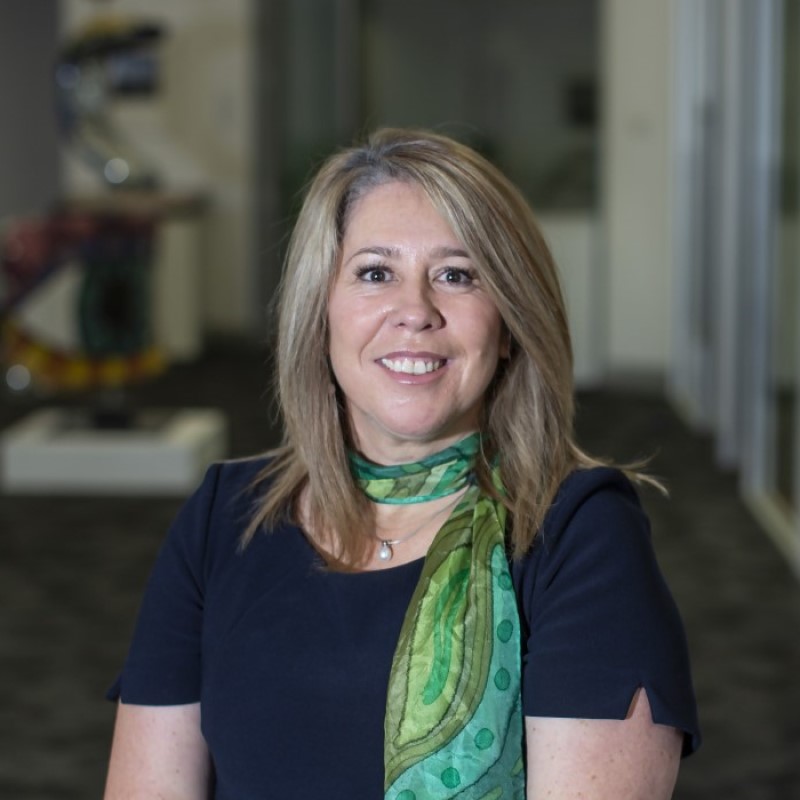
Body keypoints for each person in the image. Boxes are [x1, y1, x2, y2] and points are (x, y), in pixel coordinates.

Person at [103, 128, 700, 799]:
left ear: (508, 325)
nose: (414, 311)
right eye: (375, 272)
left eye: (456, 275)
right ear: (320, 311)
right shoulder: (224, 514)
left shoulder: (579, 533)